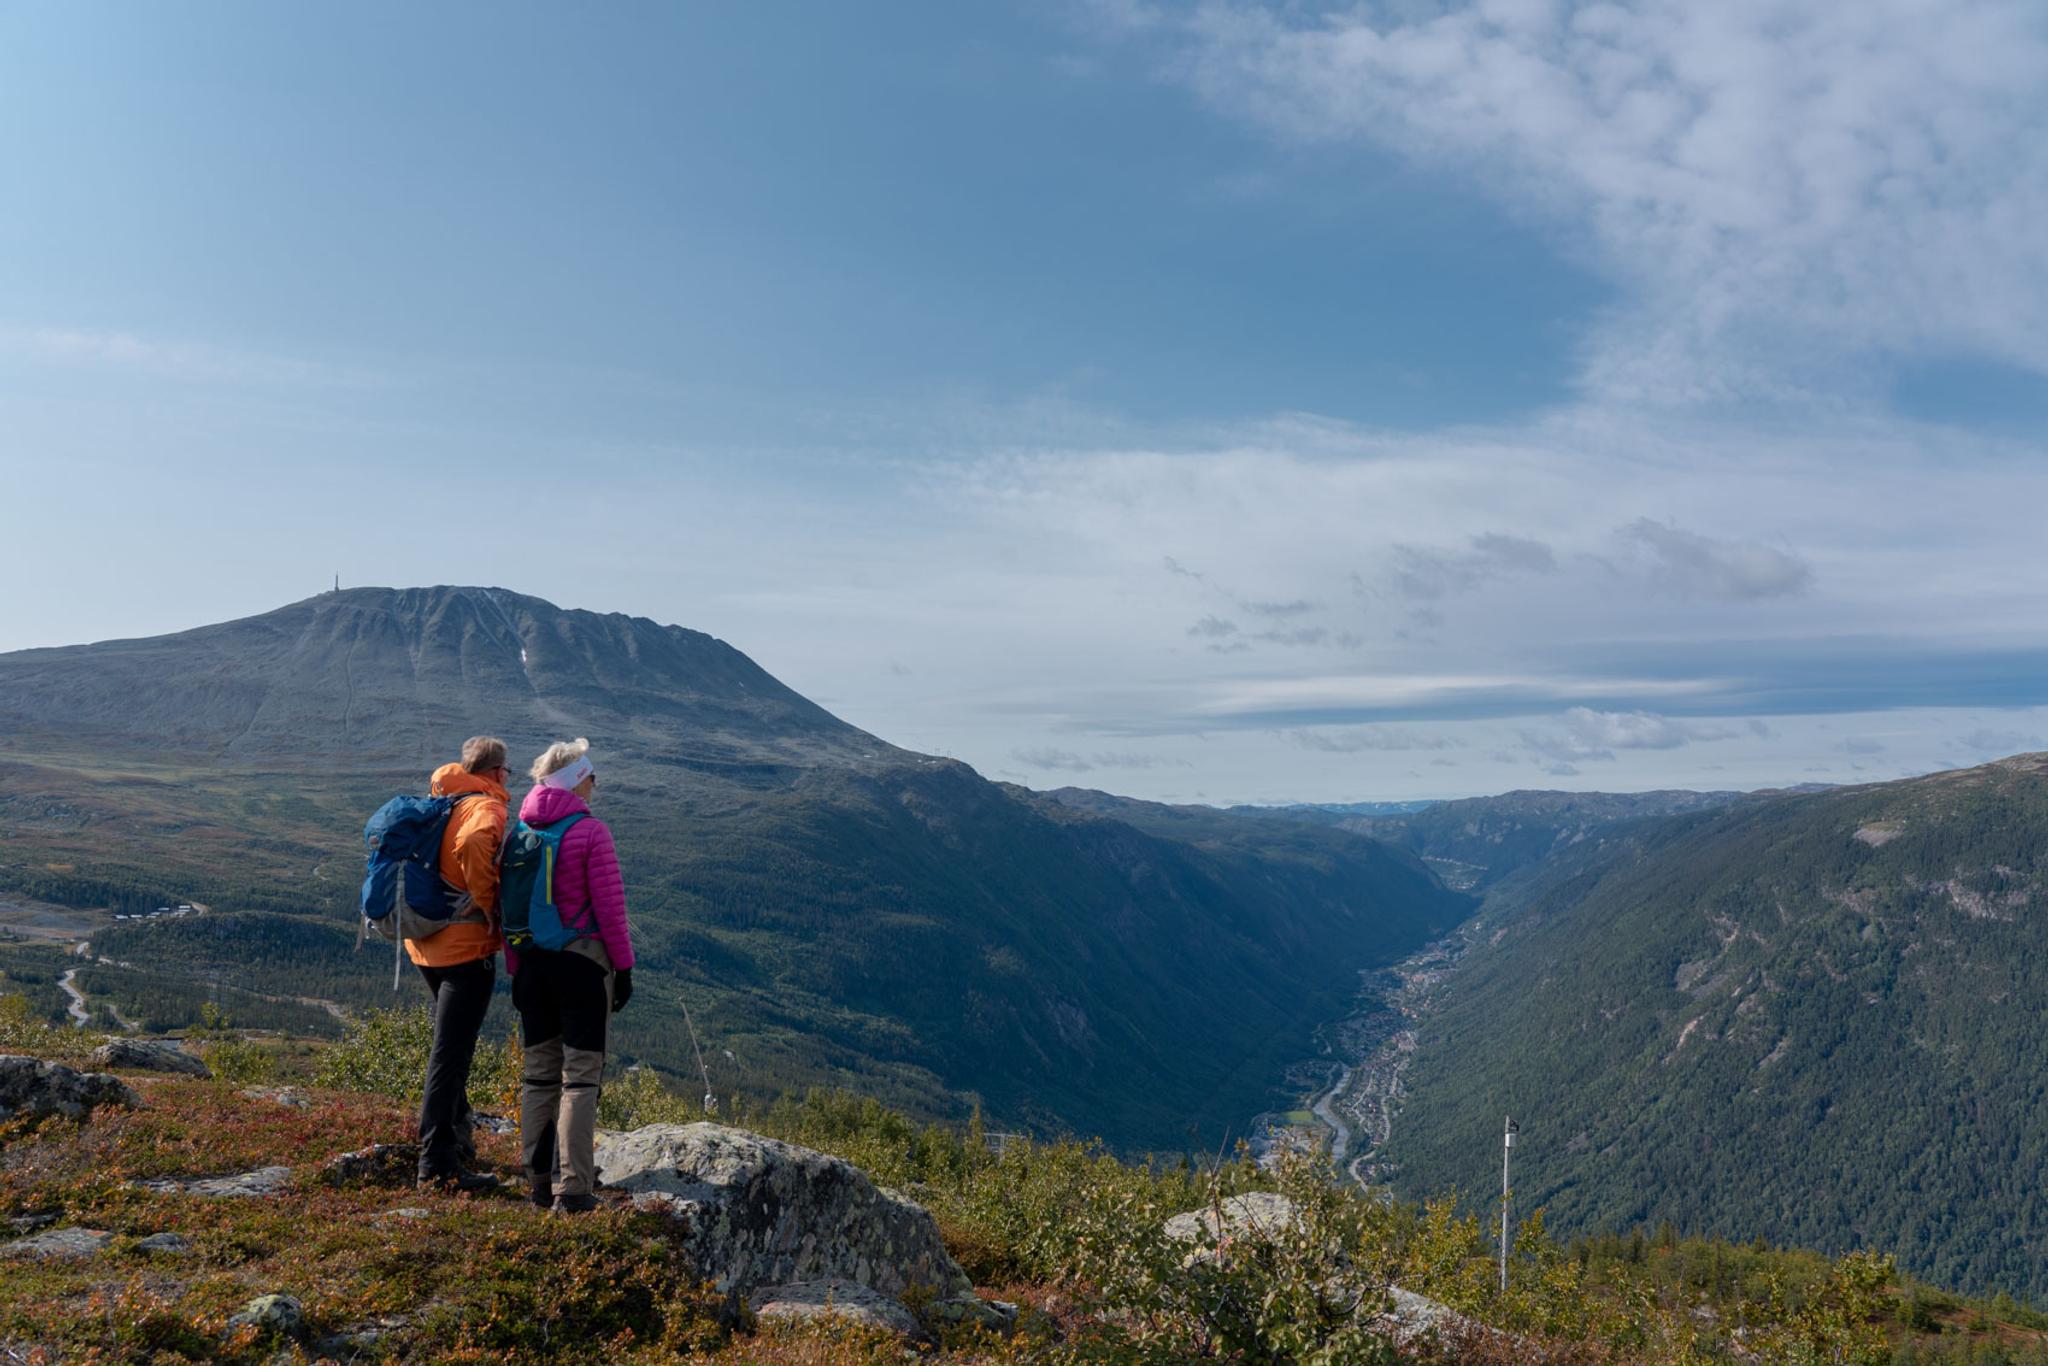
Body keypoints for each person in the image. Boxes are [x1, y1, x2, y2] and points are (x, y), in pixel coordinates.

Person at [510, 737, 635, 1213]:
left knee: (539, 1076)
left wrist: (517, 968)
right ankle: (574, 1187)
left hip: (532, 968)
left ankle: (538, 1181)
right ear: (577, 781)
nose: (594, 785)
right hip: (582, 966)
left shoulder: (520, 830)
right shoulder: (591, 832)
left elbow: (508, 909)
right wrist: (623, 968)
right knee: (580, 1079)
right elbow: (610, 910)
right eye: (590, 777)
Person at [410, 734, 513, 1193]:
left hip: (425, 944)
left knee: (451, 1048)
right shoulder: (485, 807)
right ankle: (436, 1164)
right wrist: (487, 902)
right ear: (496, 772)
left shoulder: (443, 801)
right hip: (464, 950)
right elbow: (473, 842)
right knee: (450, 1055)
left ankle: (458, 1136)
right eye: (506, 772)